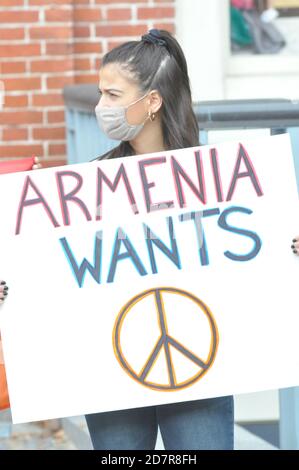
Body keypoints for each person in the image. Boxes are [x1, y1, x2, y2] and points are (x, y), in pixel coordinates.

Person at [0, 29, 298, 450]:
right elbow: (61, 273)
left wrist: (284, 245)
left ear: (152, 101)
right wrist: (16, 285)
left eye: (113, 95)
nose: (102, 107)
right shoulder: (89, 189)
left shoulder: (217, 182)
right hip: (111, 371)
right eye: (101, 94)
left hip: (198, 369)